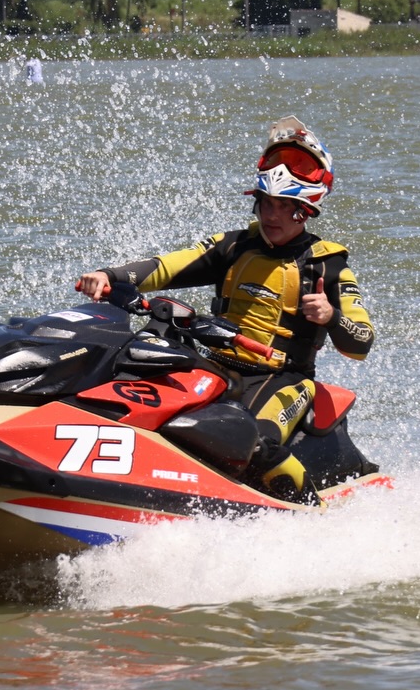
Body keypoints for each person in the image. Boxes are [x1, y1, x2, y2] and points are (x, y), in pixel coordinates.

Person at [78, 116, 374, 503]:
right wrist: (109, 275)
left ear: (305, 211)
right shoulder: (233, 247)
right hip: (213, 363)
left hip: (282, 379)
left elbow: (361, 343)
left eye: (284, 207)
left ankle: (310, 514)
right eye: (266, 204)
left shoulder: (328, 265)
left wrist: (330, 317)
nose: (271, 215)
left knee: (251, 439)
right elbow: (167, 266)